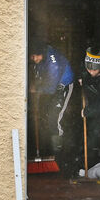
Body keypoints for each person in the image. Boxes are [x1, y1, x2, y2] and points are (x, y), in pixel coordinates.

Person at [28, 39, 76, 168]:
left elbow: (51, 88)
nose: (34, 59)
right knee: (45, 117)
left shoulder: (53, 64)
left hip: (62, 86)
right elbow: (39, 76)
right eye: (32, 56)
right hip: (50, 86)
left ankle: (59, 154)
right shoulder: (40, 58)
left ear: (41, 53)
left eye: (35, 56)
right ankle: (48, 149)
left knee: (55, 119)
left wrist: (36, 89)